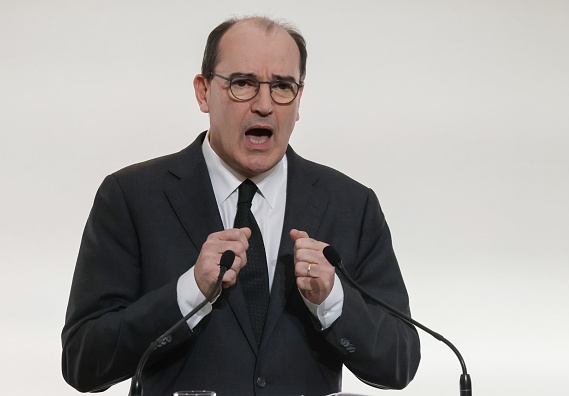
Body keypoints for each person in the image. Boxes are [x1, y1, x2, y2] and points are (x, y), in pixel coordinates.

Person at [62, 16, 421, 396]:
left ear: (299, 101)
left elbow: (398, 363)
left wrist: (332, 300)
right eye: (243, 84)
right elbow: (83, 361)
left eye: (282, 86)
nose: (264, 105)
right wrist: (189, 292)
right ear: (203, 92)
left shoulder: (351, 204)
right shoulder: (131, 197)